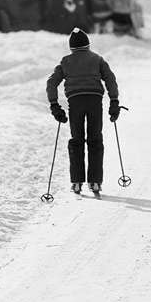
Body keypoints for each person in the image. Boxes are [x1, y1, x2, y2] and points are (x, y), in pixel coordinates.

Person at [46, 27, 120, 195]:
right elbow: (110, 79)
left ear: (71, 47)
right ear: (88, 45)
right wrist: (114, 102)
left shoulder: (65, 62)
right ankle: (95, 182)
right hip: (94, 101)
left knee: (76, 140)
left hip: (75, 102)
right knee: (95, 139)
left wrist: (54, 105)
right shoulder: (97, 59)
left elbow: (51, 83)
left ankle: (77, 182)